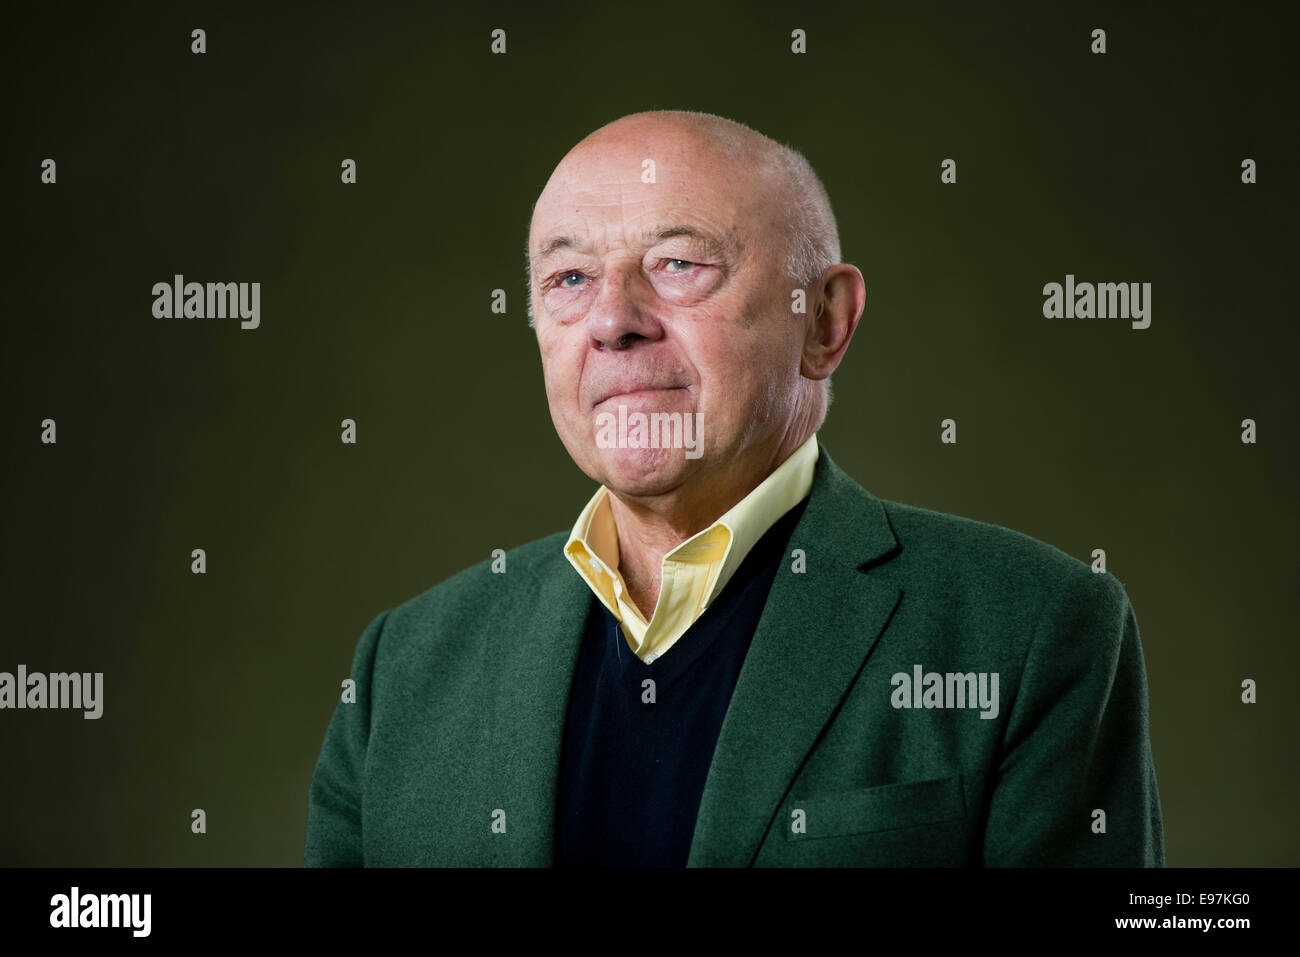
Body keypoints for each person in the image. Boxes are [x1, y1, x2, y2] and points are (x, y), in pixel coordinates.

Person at [304, 109, 1165, 867]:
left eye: (678, 263)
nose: (612, 321)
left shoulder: (1029, 627)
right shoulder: (405, 667)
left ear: (825, 321)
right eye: (569, 280)